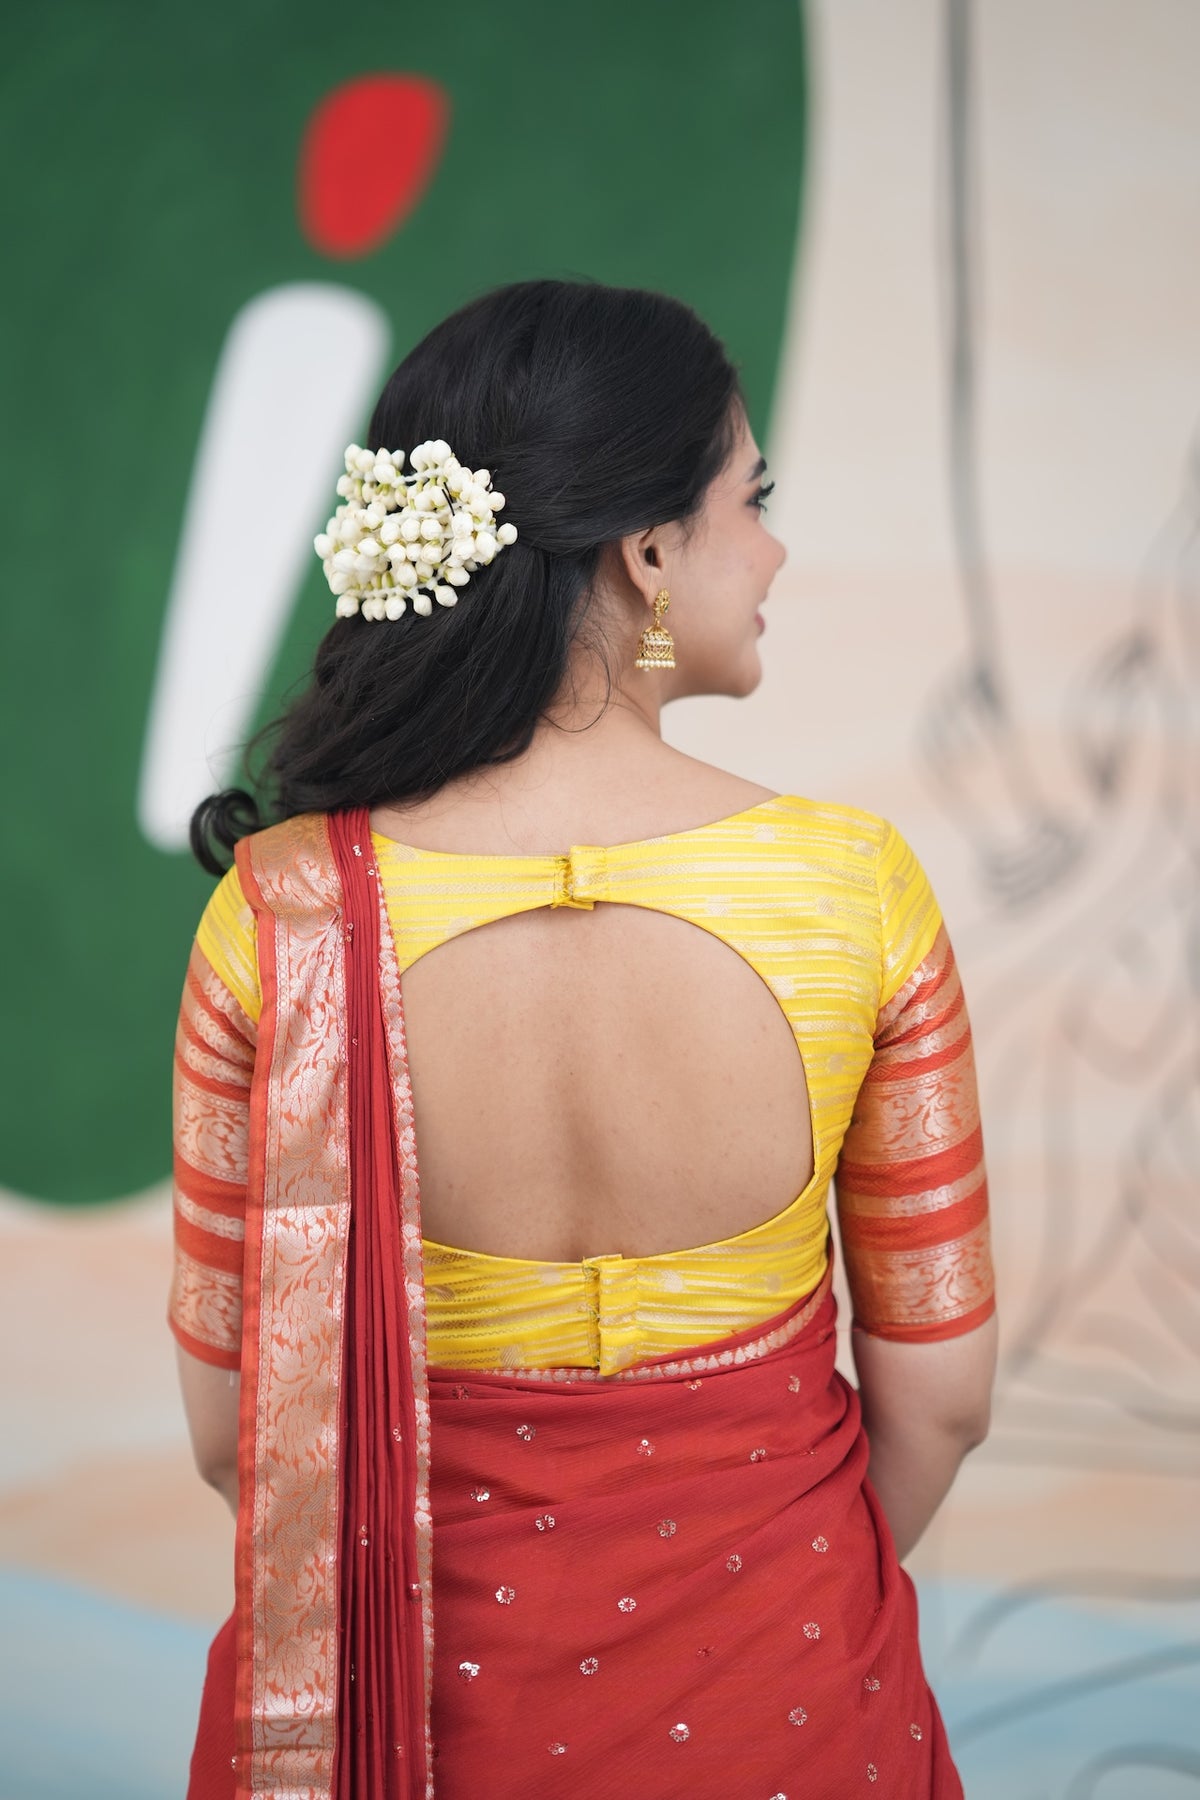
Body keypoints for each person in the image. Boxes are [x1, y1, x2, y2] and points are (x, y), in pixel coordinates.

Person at [170, 277, 997, 1799]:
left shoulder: (281, 918)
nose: (774, 548)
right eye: (753, 499)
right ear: (649, 551)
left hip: (407, 1720)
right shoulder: (853, 892)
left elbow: (242, 1434)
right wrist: (769, 1584)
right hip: (791, 1709)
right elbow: (941, 1398)